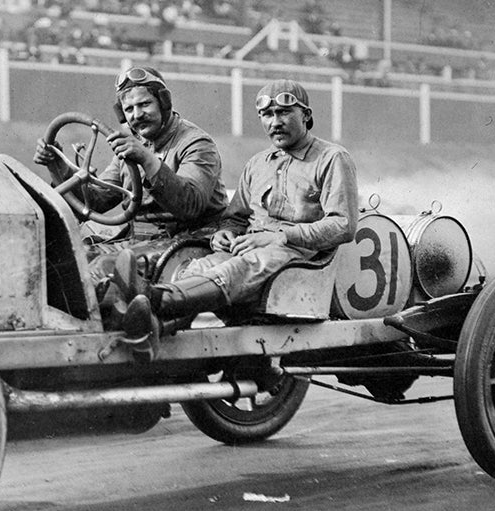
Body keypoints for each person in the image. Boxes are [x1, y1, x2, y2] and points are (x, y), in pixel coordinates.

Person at [113, 79, 359, 352]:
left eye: (284, 113)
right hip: (251, 246)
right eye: (267, 115)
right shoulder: (257, 164)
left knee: (239, 268)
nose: (275, 122)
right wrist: (224, 233)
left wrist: (280, 236)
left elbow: (343, 225)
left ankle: (153, 300)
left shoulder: (332, 158)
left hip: (296, 252)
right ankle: (153, 321)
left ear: (307, 116)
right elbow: (236, 217)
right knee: (199, 267)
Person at [33, 65, 229, 282]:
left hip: (190, 241)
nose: (137, 115)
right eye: (129, 110)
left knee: (104, 269)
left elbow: (190, 205)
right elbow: (99, 199)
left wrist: (146, 158)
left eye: (145, 104)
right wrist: (59, 165)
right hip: (142, 241)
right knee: (70, 258)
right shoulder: (132, 142)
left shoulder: (196, 144)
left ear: (164, 103)